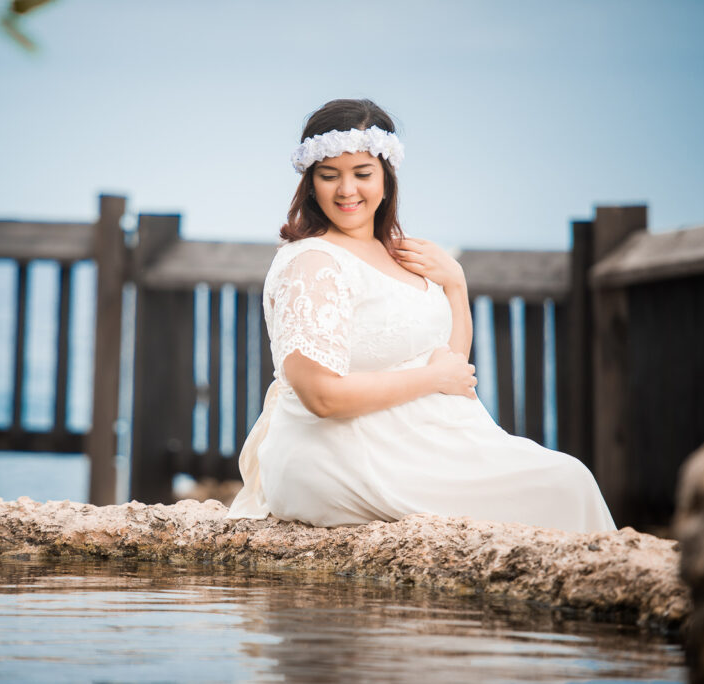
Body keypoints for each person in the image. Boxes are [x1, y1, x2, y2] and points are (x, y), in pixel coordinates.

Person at [226, 98, 616, 533]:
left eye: (362, 174)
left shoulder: (400, 250)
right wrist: (432, 380)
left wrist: (456, 285)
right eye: (329, 175)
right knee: (563, 486)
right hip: (340, 452)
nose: (346, 190)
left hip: (421, 439)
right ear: (310, 182)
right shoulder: (315, 262)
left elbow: (451, 366)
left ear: (387, 178)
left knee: (569, 479)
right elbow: (322, 397)